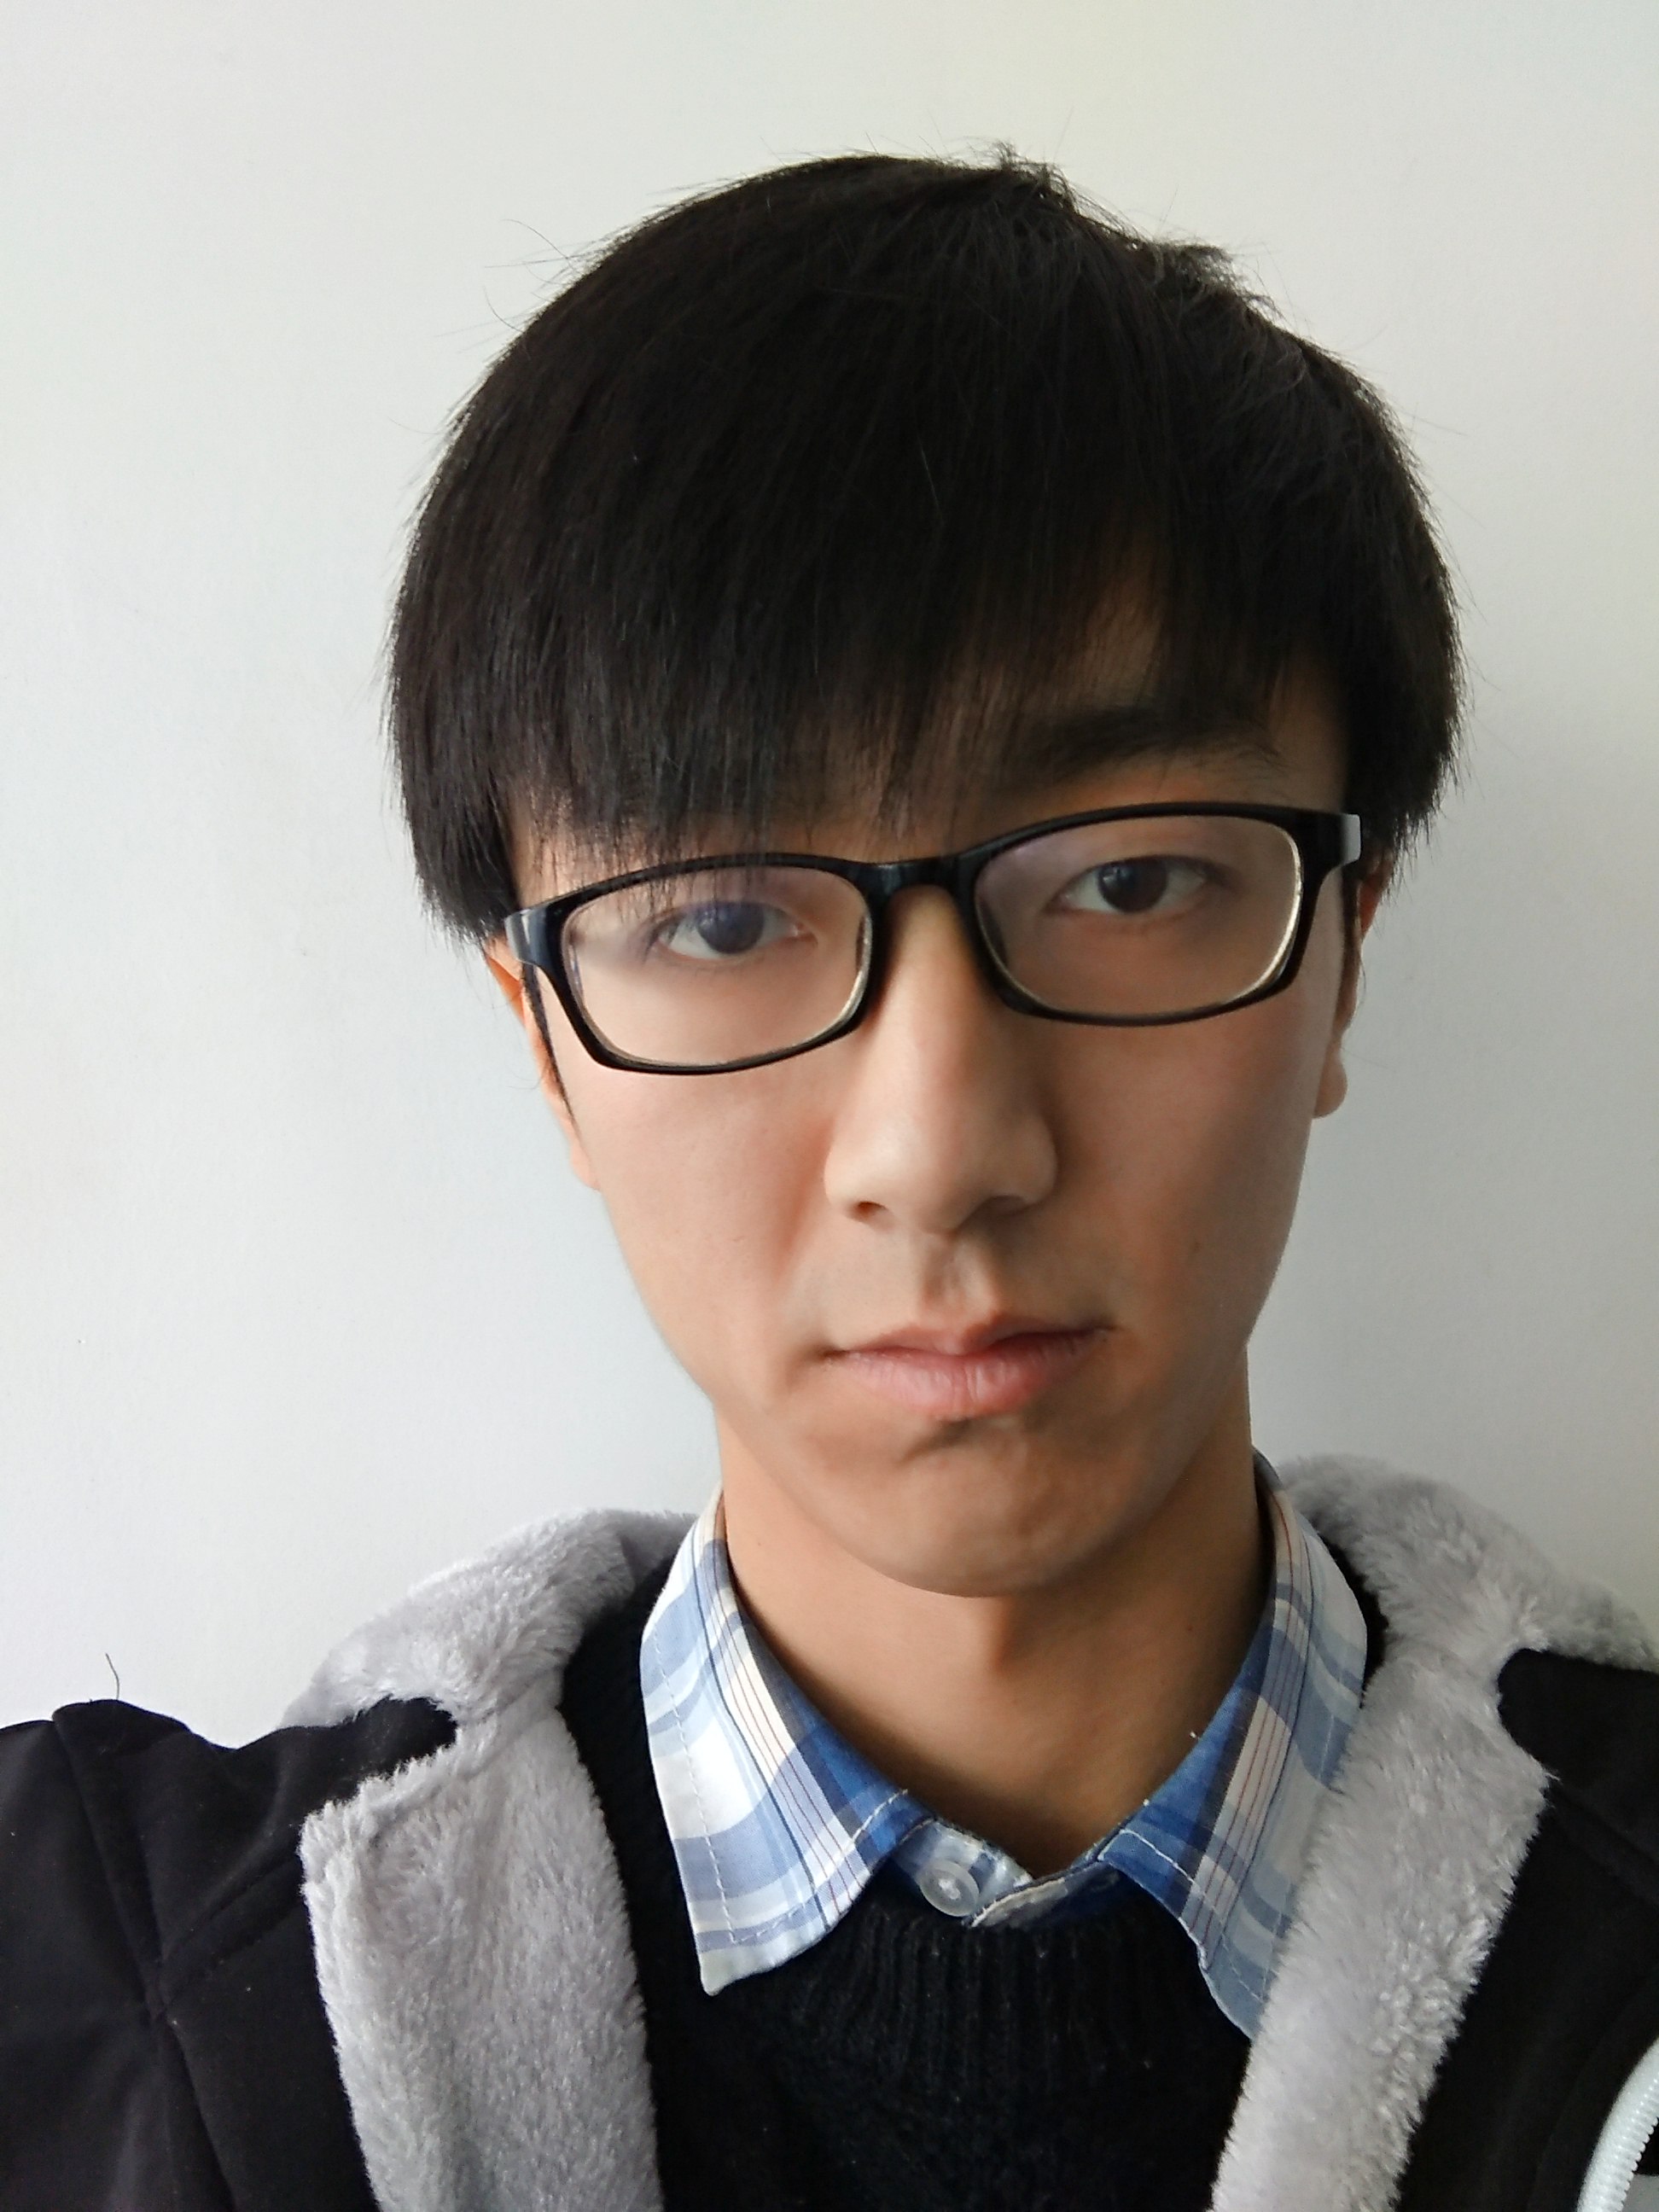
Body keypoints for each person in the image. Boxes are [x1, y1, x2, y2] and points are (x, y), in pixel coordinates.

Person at [2, 150, 1656, 2212]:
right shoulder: (99, 2003)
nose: (940, 1154)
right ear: (543, 1041)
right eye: (718, 921)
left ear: (1342, 956)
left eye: (1132, 882)